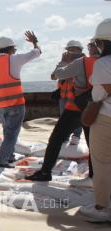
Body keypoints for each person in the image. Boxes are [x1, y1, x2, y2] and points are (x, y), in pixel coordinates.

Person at [26, 42, 99, 182]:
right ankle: (94, 174)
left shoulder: (81, 62)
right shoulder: (104, 64)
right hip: (95, 109)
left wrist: (63, 61)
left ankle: (45, 172)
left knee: (56, 139)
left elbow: (58, 74)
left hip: (75, 109)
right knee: (94, 143)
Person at [0, 31, 41, 168]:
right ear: (10, 49)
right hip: (15, 103)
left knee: (8, 131)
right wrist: (35, 42)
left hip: (0, 104)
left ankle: (9, 156)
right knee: (12, 133)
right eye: (14, 49)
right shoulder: (14, 59)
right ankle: (1, 160)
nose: (15, 51)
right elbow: (37, 53)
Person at [78, 18, 111, 222]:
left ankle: (101, 207)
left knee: (102, 163)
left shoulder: (102, 64)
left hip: (106, 118)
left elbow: (105, 90)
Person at [52, 40, 85, 145]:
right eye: (68, 50)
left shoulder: (83, 62)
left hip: (77, 96)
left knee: (77, 117)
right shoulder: (64, 62)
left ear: (79, 50)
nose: (69, 52)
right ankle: (65, 137)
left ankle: (76, 136)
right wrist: (63, 63)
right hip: (63, 96)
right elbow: (53, 76)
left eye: (72, 50)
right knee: (63, 119)